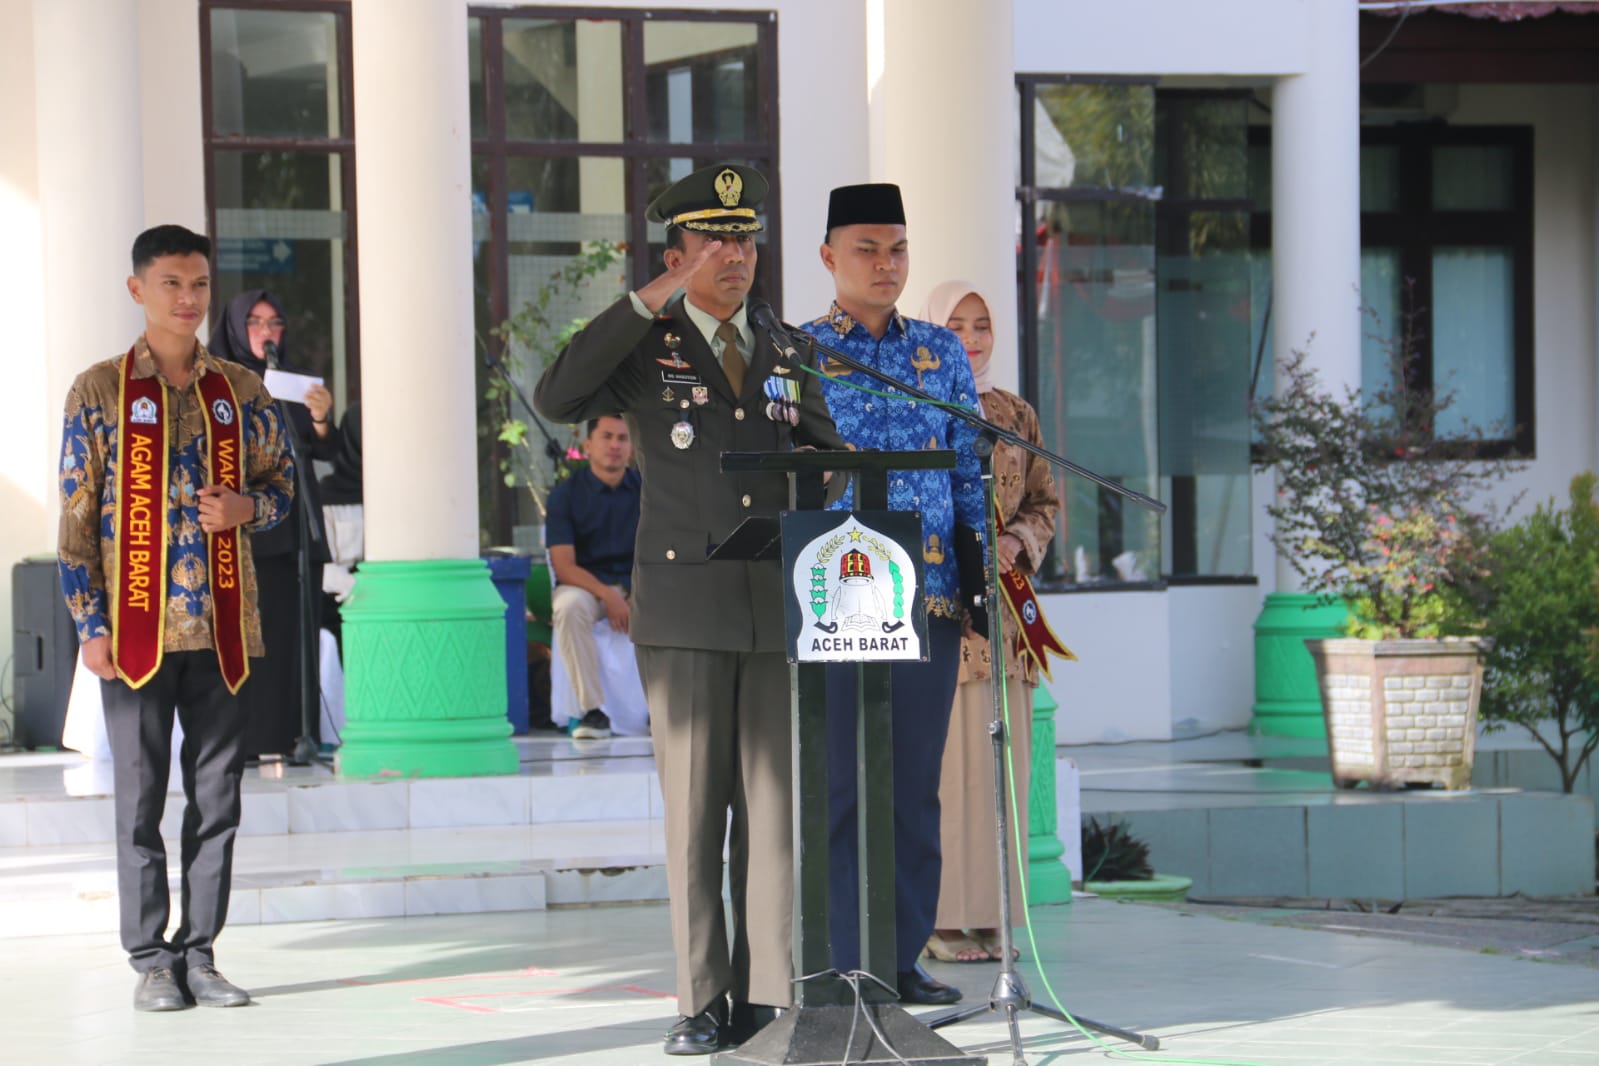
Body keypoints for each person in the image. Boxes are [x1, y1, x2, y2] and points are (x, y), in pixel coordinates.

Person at [534, 163, 845, 1056]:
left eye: (745, 239)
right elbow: (558, 395)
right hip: (686, 612)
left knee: (773, 818)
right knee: (696, 820)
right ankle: (704, 1000)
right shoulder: (646, 348)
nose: (735, 256)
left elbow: (822, 455)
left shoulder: (787, 347)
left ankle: (771, 997)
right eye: (713, 242)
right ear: (675, 256)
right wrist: (648, 299)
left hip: (776, 609)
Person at [57, 224, 294, 1011]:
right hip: (133, 632)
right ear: (138, 290)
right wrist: (88, 622)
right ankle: (150, 959)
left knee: (218, 798)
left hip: (224, 626)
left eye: (197, 284)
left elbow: (283, 490)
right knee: (138, 794)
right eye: (169, 284)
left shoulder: (242, 391)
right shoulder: (98, 390)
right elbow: (75, 517)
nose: (186, 299)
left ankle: (201, 953)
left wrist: (246, 507)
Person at [798, 183, 985, 1007]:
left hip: (932, 593)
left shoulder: (939, 352)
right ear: (829, 257)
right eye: (867, 248)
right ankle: (841, 958)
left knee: (912, 786)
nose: (885, 264)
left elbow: (969, 467)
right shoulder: (798, 351)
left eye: (898, 248)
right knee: (841, 785)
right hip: (838, 596)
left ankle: (902, 956)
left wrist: (983, 574)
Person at [919, 280, 1061, 964]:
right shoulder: (915, 406)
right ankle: (944, 918)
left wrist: (1017, 542)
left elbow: (1044, 501)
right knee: (952, 767)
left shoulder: (1014, 413)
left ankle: (998, 912)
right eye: (955, 324)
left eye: (981, 325)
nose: (971, 338)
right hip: (944, 607)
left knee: (1007, 765)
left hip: (1007, 610)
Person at [207, 289, 333, 758]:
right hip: (240, 529)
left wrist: (320, 419)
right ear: (237, 329)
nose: (265, 331)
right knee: (245, 640)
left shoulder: (292, 383)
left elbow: (322, 453)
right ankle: (241, 743)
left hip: (294, 532)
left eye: (274, 322)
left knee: (291, 637)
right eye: (255, 322)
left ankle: (293, 736)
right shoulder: (214, 379)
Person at [545, 414, 642, 740]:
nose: (615, 445)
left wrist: (632, 593)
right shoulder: (565, 496)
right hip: (588, 588)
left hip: (640, 585)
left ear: (631, 447)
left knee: (683, 600)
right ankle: (592, 711)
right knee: (568, 606)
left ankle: (670, 710)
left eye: (622, 438)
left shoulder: (648, 494)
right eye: (607, 436)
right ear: (588, 445)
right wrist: (609, 595)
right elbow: (564, 566)